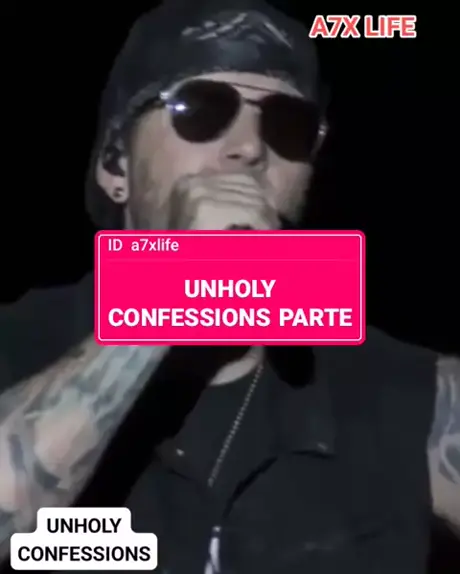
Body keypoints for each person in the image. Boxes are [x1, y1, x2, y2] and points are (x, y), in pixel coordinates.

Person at [0, 0, 459, 572]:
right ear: (116, 167)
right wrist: (170, 290)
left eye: (287, 125)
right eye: (200, 111)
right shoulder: (17, 345)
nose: (249, 148)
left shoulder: (397, 390)